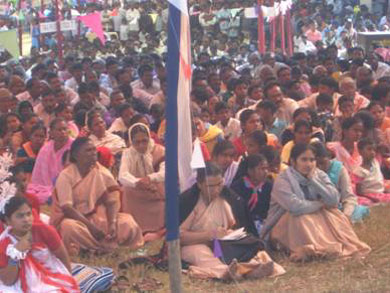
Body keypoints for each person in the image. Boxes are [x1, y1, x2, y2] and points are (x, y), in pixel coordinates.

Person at [262, 143, 371, 261]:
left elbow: (334, 200)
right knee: (301, 218)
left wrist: (314, 181)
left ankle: (325, 248)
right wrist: (320, 204)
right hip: (285, 224)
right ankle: (318, 249)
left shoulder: (319, 175)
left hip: (312, 217)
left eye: (312, 160)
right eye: (303, 160)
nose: (308, 164)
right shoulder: (283, 180)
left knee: (335, 214)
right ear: (293, 162)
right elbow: (295, 207)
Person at [179, 162, 285, 280]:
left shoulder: (226, 198)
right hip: (194, 245)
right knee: (201, 254)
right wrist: (209, 235)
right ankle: (227, 272)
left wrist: (229, 234)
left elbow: (234, 225)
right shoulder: (189, 202)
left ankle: (254, 268)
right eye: (211, 186)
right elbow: (179, 237)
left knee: (248, 247)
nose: (216, 189)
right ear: (199, 184)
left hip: (219, 245)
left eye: (219, 184)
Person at [50, 137, 144, 255]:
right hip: (77, 221)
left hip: (100, 218)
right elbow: (67, 208)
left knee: (128, 222)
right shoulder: (66, 176)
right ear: (76, 155)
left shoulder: (101, 171)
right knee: (68, 228)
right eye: (88, 150)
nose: (94, 153)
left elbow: (112, 201)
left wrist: (112, 224)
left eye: (94, 150)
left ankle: (97, 248)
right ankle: (101, 248)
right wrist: (91, 228)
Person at [0, 196, 79, 292]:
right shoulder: (4, 242)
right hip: (17, 284)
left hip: (50, 277)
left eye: (29, 214)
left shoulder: (44, 230)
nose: (26, 219)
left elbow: (62, 256)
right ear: (8, 221)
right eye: (20, 216)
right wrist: (16, 253)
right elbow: (8, 281)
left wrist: (67, 279)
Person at [119, 123, 165, 232]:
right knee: (127, 190)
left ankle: (159, 228)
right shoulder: (128, 153)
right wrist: (137, 182)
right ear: (131, 141)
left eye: (144, 141)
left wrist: (150, 178)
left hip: (156, 188)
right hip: (137, 190)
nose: (141, 146)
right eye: (137, 142)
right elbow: (122, 175)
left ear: (149, 138)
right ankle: (137, 230)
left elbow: (165, 172)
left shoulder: (160, 150)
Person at [312, 142, 368, 223]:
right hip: (316, 209)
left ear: (329, 158)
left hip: (337, 209)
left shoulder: (339, 169)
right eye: (316, 164)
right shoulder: (308, 171)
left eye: (322, 163)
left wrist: (346, 215)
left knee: (355, 211)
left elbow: (348, 197)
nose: (319, 168)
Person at [27, 118, 73, 204]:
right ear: (51, 133)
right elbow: (37, 176)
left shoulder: (75, 147)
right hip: (45, 187)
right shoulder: (45, 149)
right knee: (30, 193)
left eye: (65, 129)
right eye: (59, 130)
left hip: (68, 187)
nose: (63, 132)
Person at [231, 154, 272, 236]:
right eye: (261, 169)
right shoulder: (237, 187)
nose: (265, 172)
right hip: (242, 224)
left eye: (266, 168)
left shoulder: (269, 186)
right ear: (250, 171)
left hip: (263, 223)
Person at [352, 138, 390, 205]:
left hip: (380, 193)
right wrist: (372, 198)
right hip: (368, 196)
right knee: (365, 203)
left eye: (374, 150)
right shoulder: (359, 171)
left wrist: (385, 191)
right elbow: (359, 192)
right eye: (369, 149)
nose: (372, 152)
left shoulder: (375, 163)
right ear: (360, 151)